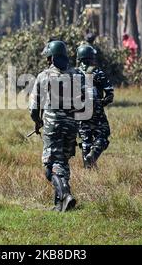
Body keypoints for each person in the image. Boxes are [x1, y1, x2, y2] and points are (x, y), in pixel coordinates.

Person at [29, 40, 83, 212]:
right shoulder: (77, 75)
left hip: (53, 126)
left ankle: (66, 194)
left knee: (50, 165)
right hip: (72, 125)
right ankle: (59, 205)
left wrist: (38, 122)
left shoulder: (44, 76)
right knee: (62, 162)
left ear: (51, 58)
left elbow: (34, 107)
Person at [76, 44, 114, 169]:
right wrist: (102, 103)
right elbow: (109, 93)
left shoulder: (73, 73)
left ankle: (88, 166)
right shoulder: (97, 72)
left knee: (85, 139)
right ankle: (94, 153)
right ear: (91, 57)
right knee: (103, 133)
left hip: (79, 111)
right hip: (96, 110)